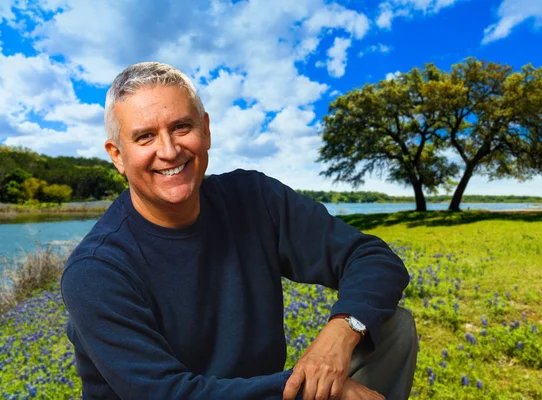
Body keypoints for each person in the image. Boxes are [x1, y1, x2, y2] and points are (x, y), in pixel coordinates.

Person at [61, 62, 417, 400]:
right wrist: (320, 391)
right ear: (118, 155)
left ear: (206, 130)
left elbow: (371, 257)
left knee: (390, 328)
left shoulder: (254, 198)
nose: (169, 151)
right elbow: (167, 394)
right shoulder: (96, 270)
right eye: (145, 137)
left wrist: (343, 329)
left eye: (181, 127)